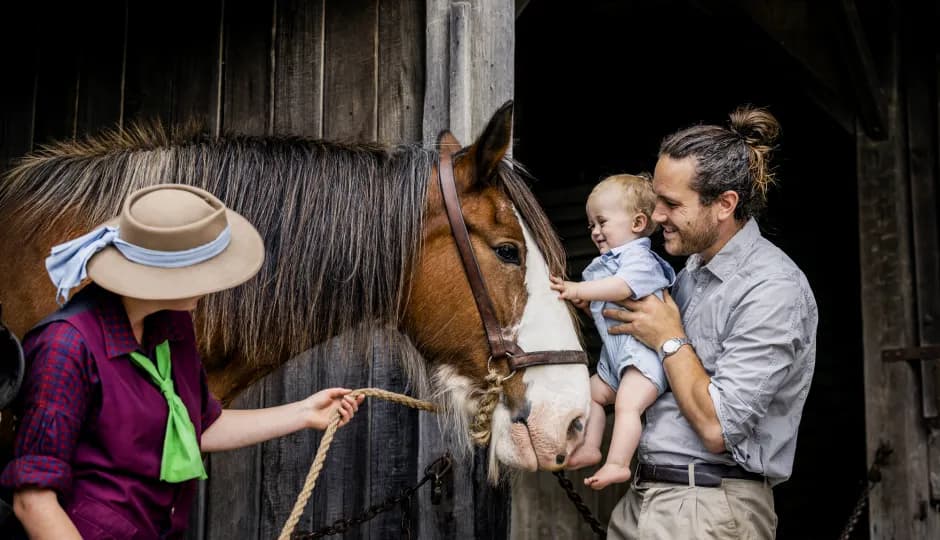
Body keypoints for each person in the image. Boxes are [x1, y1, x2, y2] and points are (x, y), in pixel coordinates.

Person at [0, 184, 365, 540]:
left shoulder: (170, 326)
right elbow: (34, 502)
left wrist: (304, 412)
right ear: (164, 276)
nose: (216, 284)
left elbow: (195, 427)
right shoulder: (64, 348)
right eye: (205, 271)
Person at [602, 106, 818, 539]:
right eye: (655, 198)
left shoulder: (773, 289)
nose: (656, 215)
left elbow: (718, 426)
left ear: (725, 204)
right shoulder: (689, 275)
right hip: (645, 499)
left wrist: (668, 336)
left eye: (671, 203)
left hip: (710, 508)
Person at [549, 174, 675, 490]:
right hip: (615, 363)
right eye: (591, 224)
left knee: (626, 405)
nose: (594, 231)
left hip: (643, 363)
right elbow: (607, 304)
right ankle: (592, 446)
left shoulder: (640, 259)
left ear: (637, 223)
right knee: (588, 393)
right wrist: (584, 301)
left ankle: (618, 463)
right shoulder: (608, 263)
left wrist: (580, 287)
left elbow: (621, 288)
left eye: (602, 221)